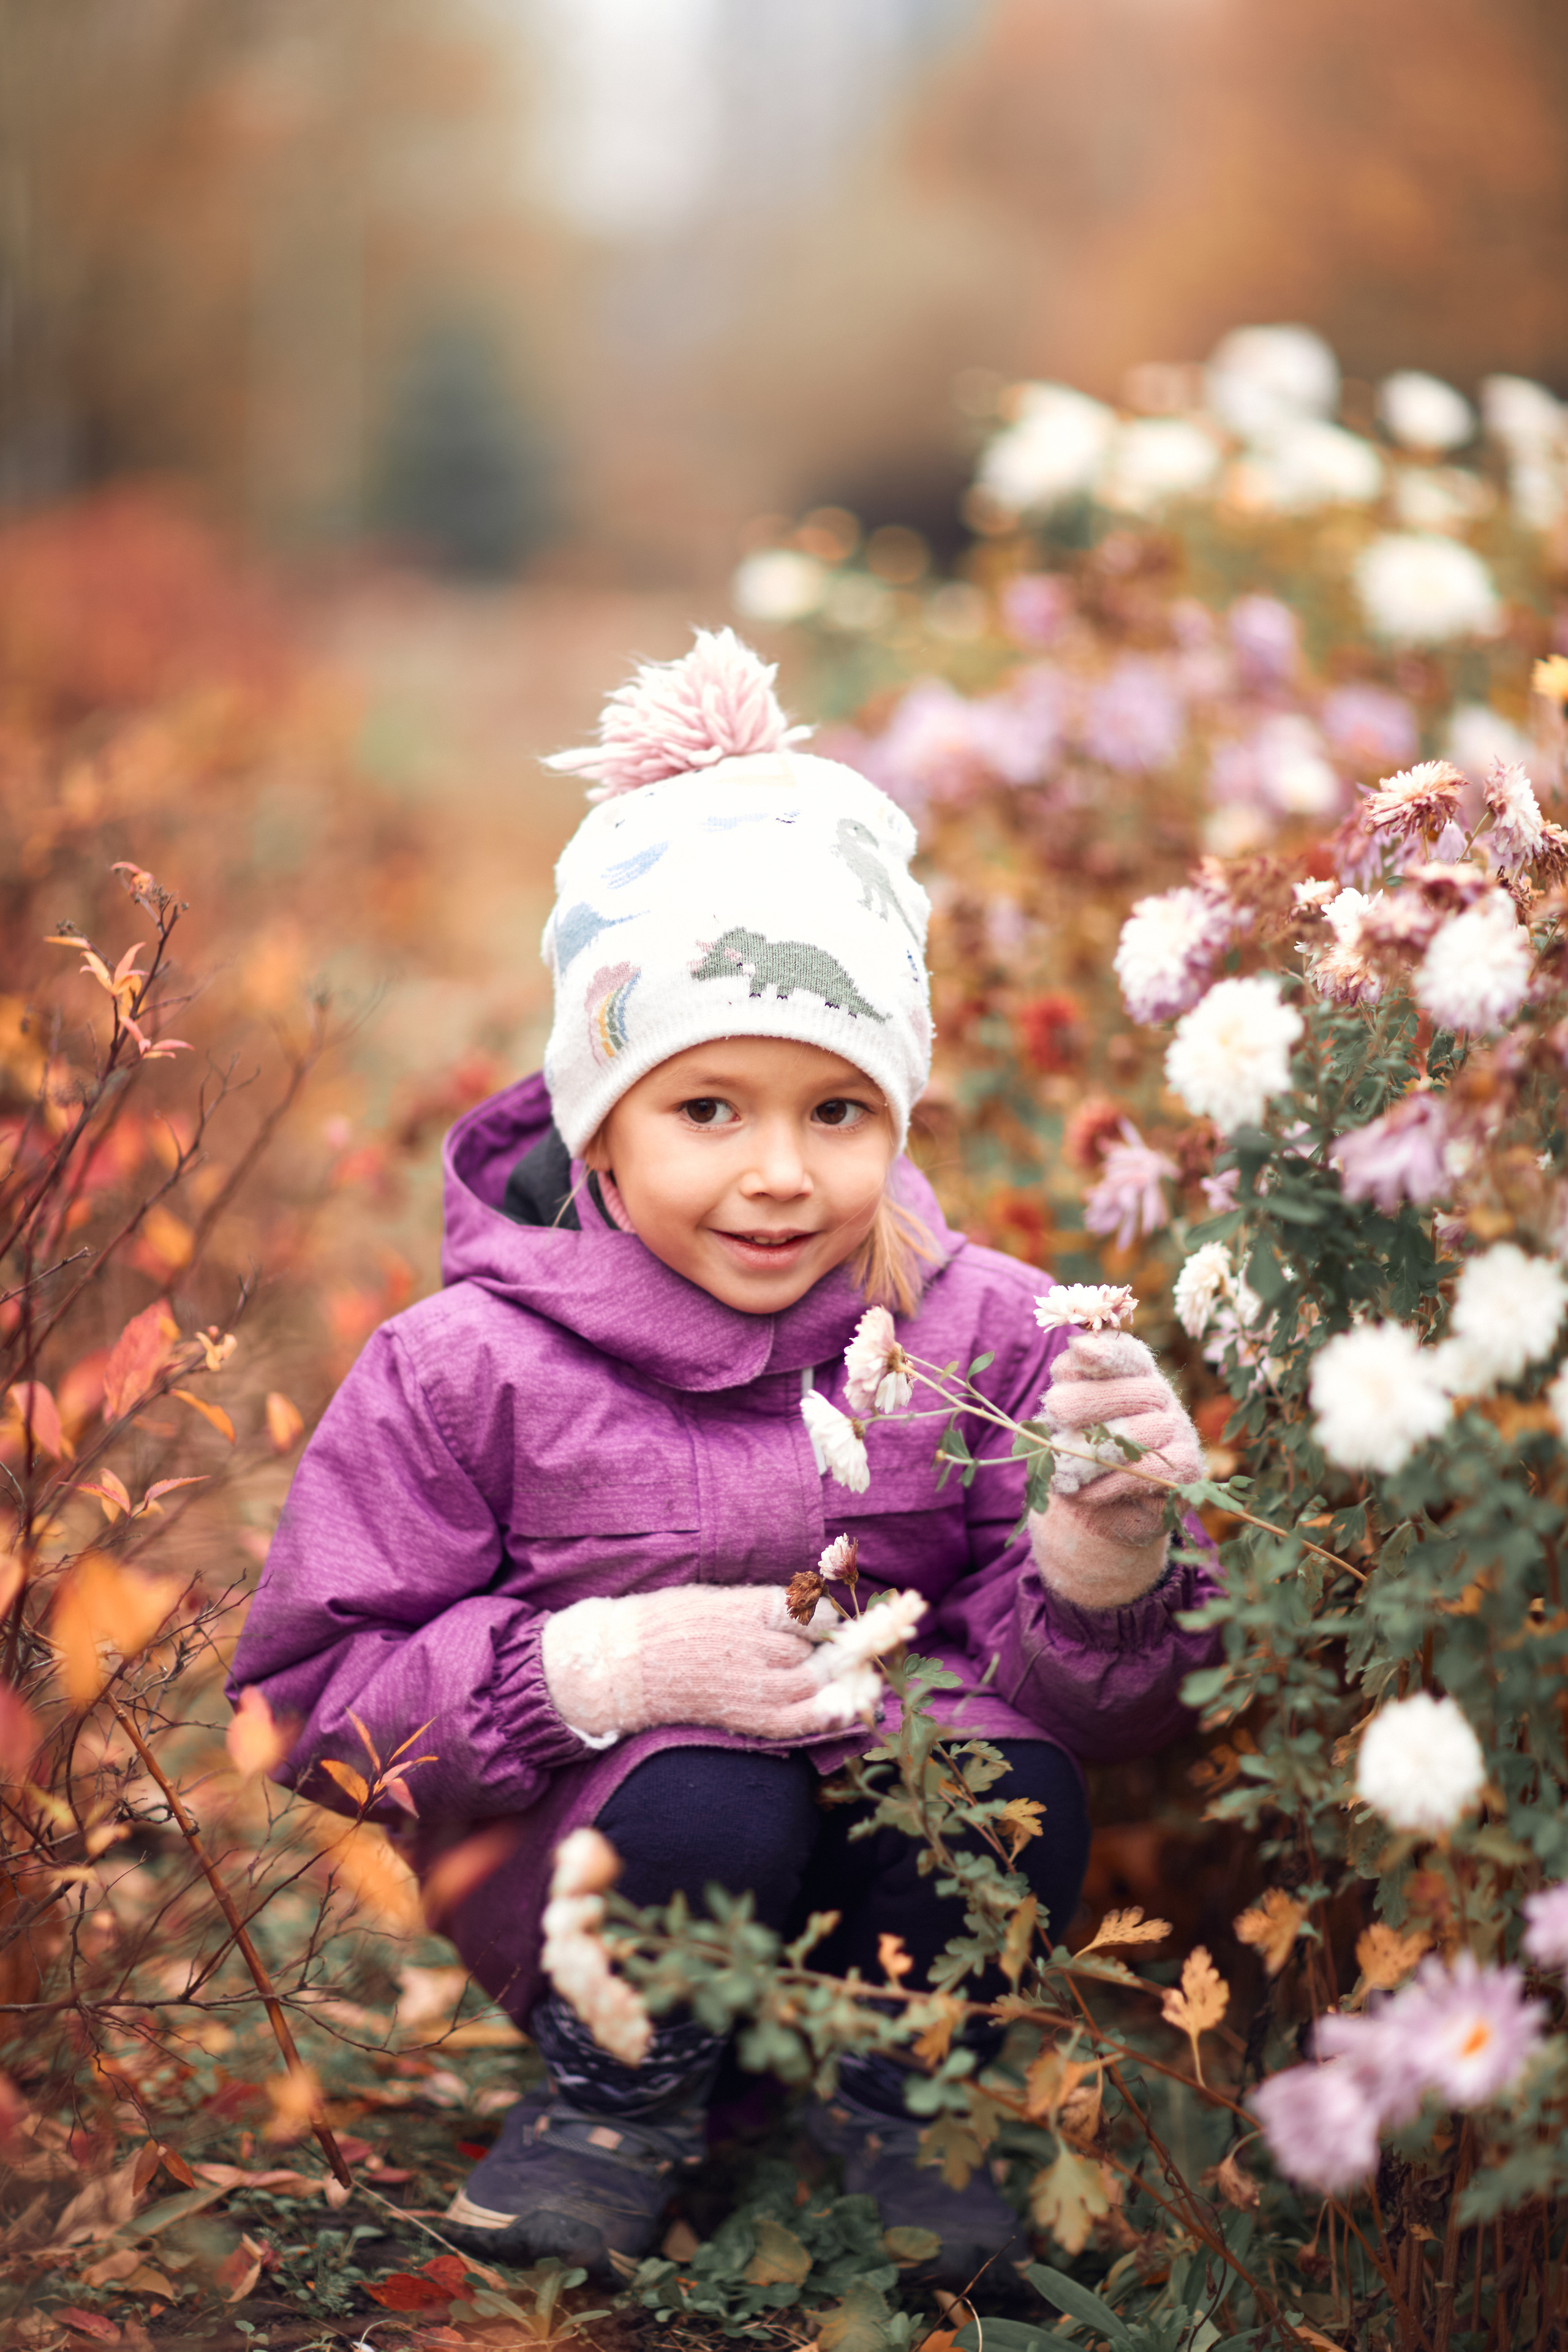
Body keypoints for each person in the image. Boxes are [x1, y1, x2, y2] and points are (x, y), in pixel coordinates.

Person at [228, 629, 1220, 2283]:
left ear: (900, 1115)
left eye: (838, 1111)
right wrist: (588, 1667)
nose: (778, 1174)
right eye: (709, 1110)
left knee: (1006, 1783)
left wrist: (1101, 1569)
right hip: (614, 1875)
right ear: (598, 1122)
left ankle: (919, 2096)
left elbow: (1115, 1719)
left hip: (891, 1888)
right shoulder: (466, 1363)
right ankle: (614, 2102)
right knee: (700, 1791)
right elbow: (301, 1714)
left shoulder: (998, 1338)